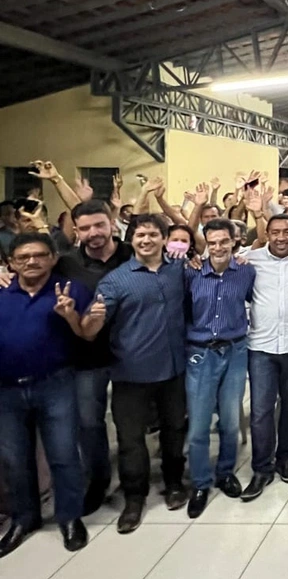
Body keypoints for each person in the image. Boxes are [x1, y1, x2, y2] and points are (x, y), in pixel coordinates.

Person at [83, 214, 188, 534]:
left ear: (163, 238)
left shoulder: (178, 270)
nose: (146, 240)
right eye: (140, 235)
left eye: (153, 234)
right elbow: (91, 329)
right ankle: (134, 497)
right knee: (131, 441)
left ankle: (173, 483)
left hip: (174, 370)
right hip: (131, 373)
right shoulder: (116, 280)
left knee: (174, 431)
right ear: (132, 239)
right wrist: (87, 318)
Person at [0, 234, 92, 557]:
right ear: (11, 262)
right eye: (23, 257)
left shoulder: (70, 290)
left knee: (64, 453)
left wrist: (69, 314)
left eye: (39, 255)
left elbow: (87, 332)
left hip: (55, 383)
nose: (32, 261)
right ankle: (24, 518)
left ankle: (69, 517)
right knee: (15, 459)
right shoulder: (1, 290)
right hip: (6, 388)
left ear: (53, 258)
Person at [56, 200, 134, 516]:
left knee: (130, 423)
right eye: (85, 228)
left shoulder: (132, 252)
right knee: (89, 423)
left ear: (112, 222)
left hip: (131, 353)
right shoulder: (65, 263)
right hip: (87, 357)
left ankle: (133, 480)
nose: (93, 232)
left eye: (99, 224)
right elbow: (30, 275)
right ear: (76, 231)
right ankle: (98, 479)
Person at [182, 219, 256, 519]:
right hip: (201, 353)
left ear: (234, 241)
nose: (218, 248)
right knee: (199, 425)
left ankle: (225, 472)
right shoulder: (192, 273)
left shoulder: (246, 271)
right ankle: (200, 483)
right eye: (212, 243)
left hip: (235, 350)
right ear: (205, 244)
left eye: (224, 241)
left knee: (229, 419)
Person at [242, 214, 288, 501]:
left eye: (287, 231)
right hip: (260, 347)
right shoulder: (251, 259)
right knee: (261, 411)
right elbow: (217, 257)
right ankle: (261, 467)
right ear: (267, 233)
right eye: (275, 232)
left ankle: (286, 458)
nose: (281, 237)